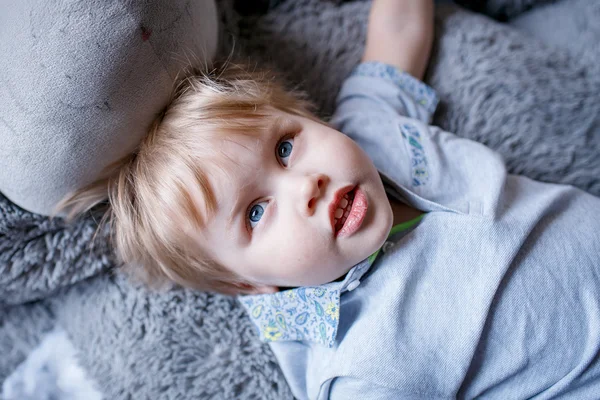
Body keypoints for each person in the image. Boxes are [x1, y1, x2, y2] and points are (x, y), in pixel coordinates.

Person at [60, 0, 600, 398]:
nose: (306, 184)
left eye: (286, 146)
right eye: (255, 211)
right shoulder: (364, 362)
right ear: (248, 282)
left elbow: (398, 28)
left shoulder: (371, 130)